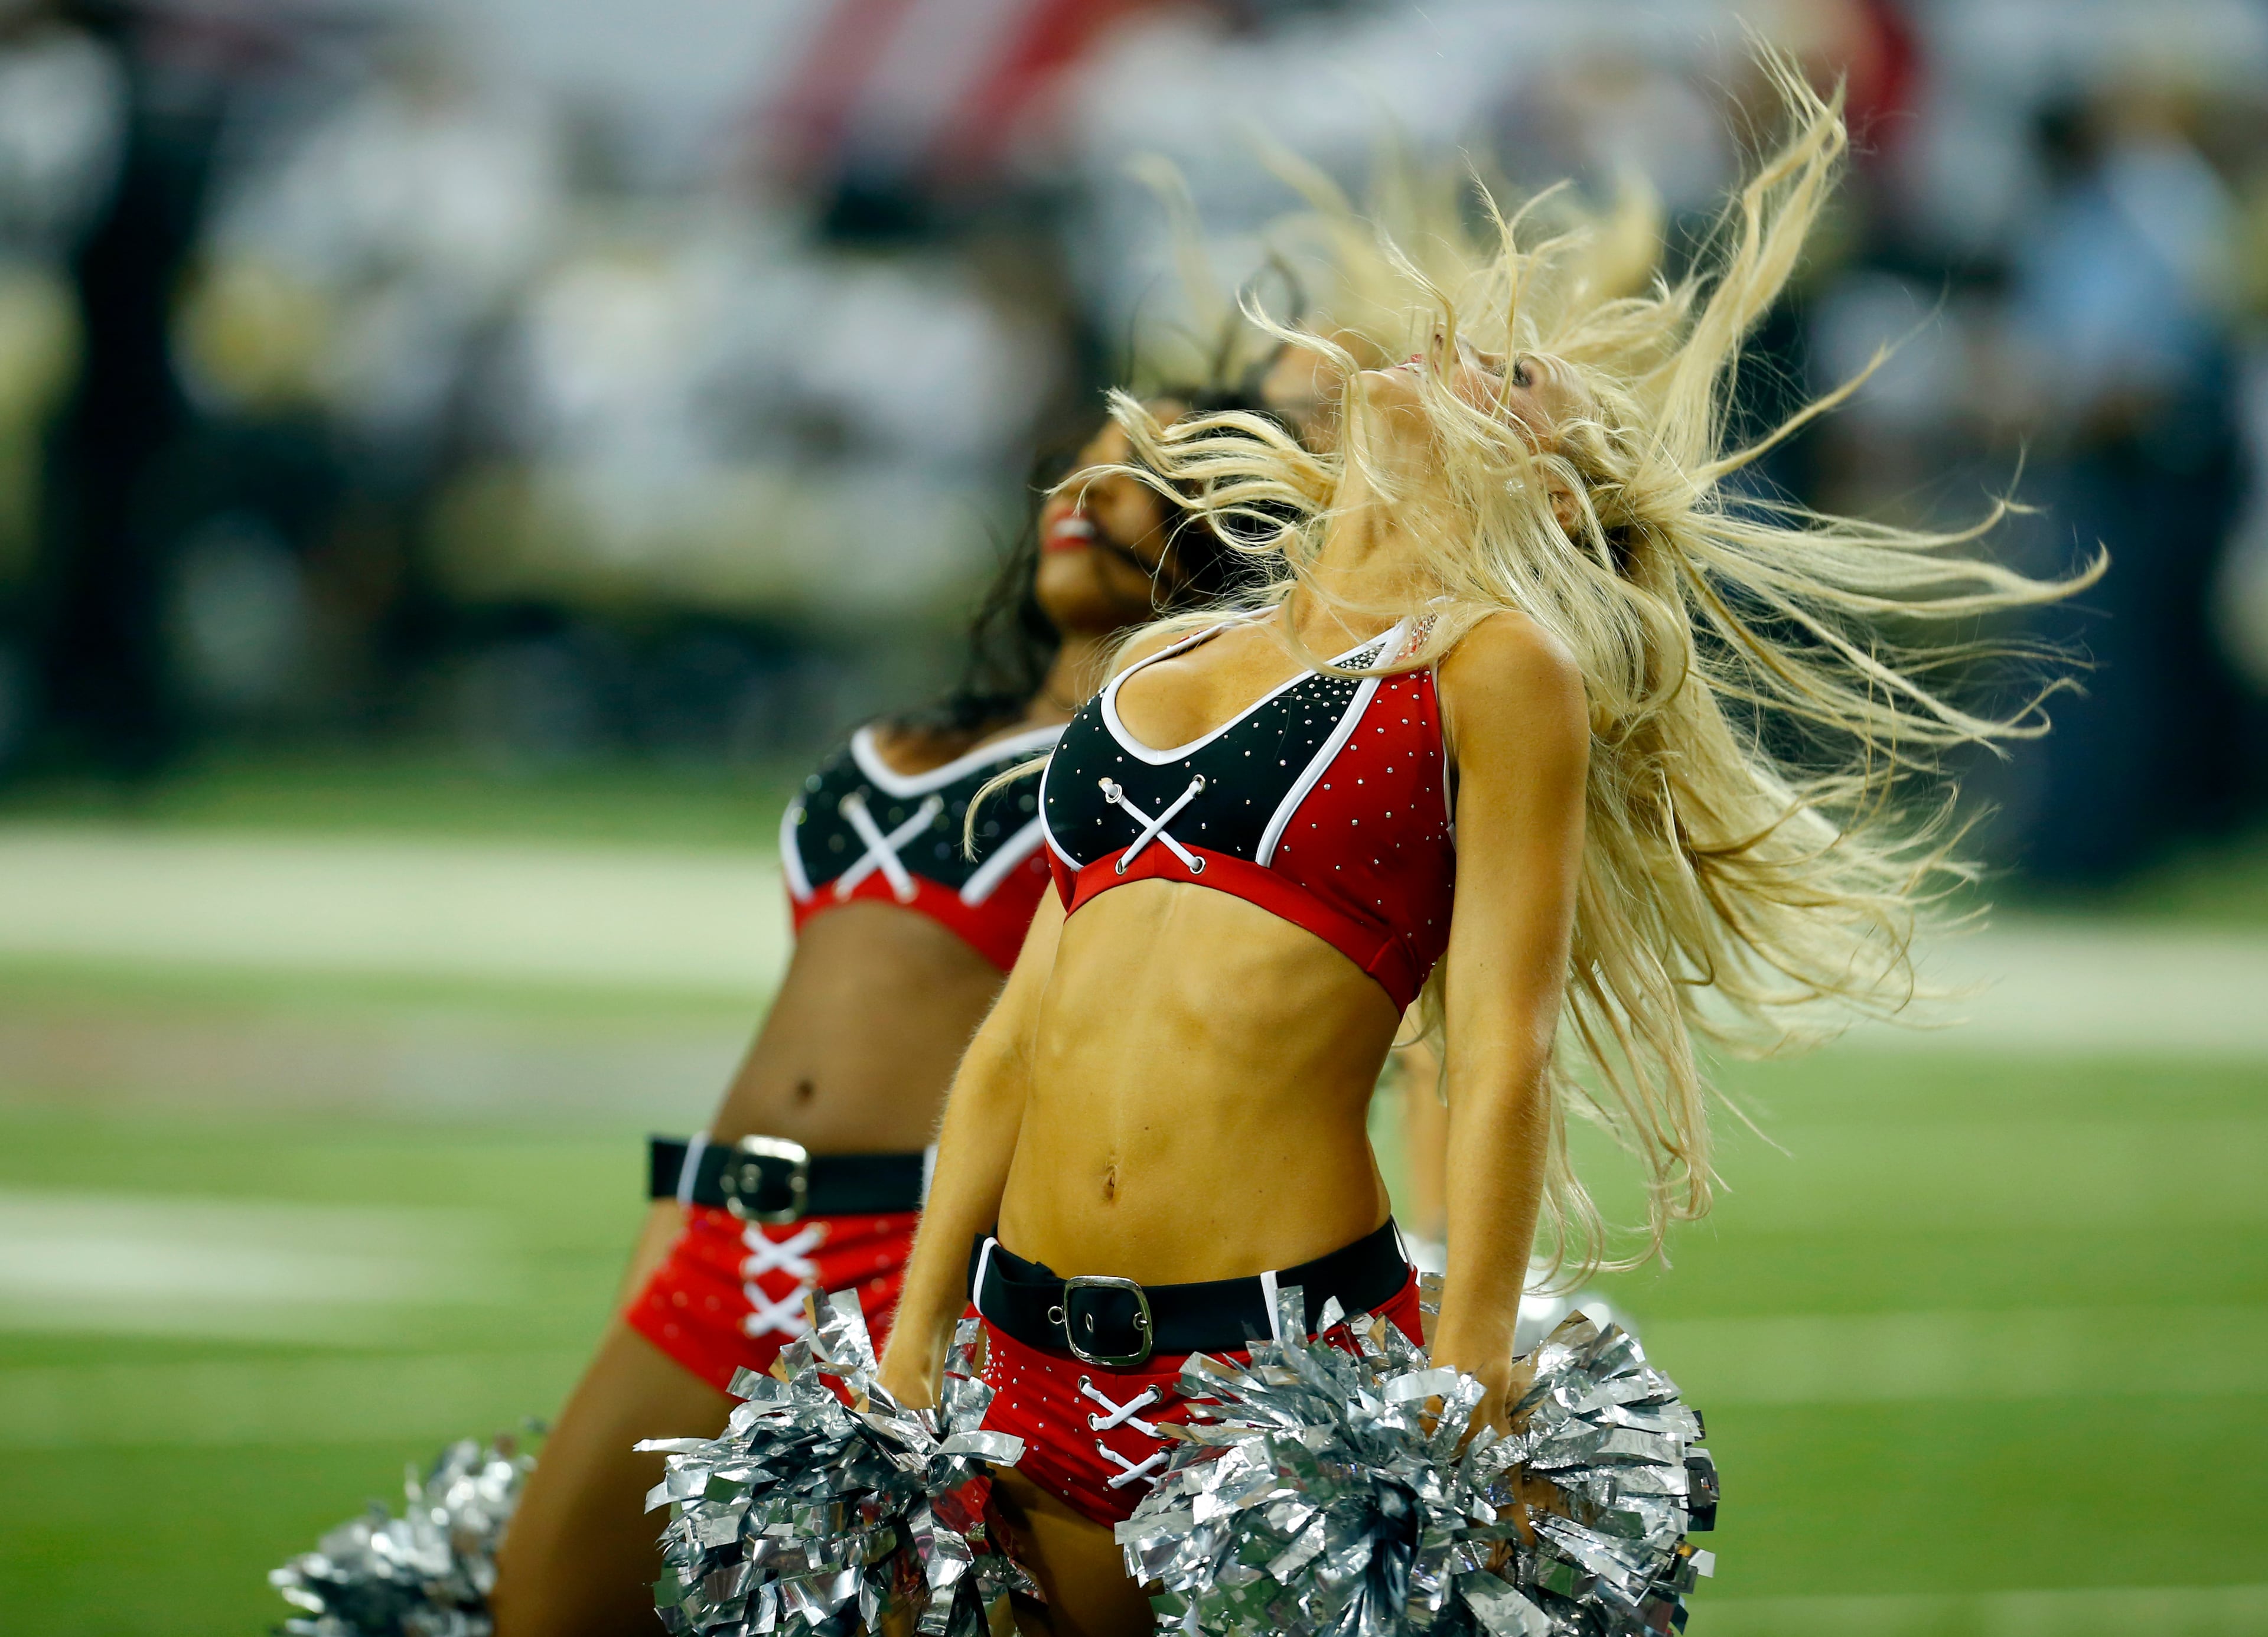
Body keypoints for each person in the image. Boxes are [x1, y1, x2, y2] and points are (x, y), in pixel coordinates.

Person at [874, 59, 2089, 1630]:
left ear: (1547, 492)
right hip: (1023, 1355)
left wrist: (1468, 1365)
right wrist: (915, 1333)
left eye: (1521, 385)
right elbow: (1016, 1037)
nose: (1466, 361)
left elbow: (1502, 1043)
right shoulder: (1152, 668)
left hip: (1271, 1373)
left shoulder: (1494, 668)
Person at [489, 393, 1278, 1637]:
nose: (1084, 500)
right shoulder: (909, 735)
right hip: (723, 1232)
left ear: (1223, 532)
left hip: (914, 1259)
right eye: (1074, 472)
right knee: (545, 1607)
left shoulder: (1173, 773)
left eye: (1139, 478)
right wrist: (671, 1229)